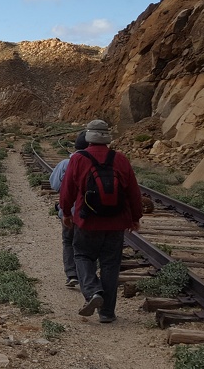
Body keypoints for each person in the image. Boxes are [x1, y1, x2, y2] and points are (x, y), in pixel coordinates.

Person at [59, 119, 142, 324]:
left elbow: (67, 189)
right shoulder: (120, 159)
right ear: (107, 137)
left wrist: (66, 214)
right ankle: (107, 313)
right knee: (111, 265)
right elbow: (133, 192)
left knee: (82, 255)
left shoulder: (78, 159)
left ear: (88, 137)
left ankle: (93, 291)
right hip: (115, 223)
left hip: (87, 221)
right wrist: (135, 218)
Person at [49, 130, 88, 289]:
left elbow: (54, 185)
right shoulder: (96, 163)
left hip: (68, 212)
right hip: (89, 213)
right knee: (84, 245)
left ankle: (72, 274)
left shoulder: (65, 163)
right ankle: (87, 277)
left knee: (68, 241)